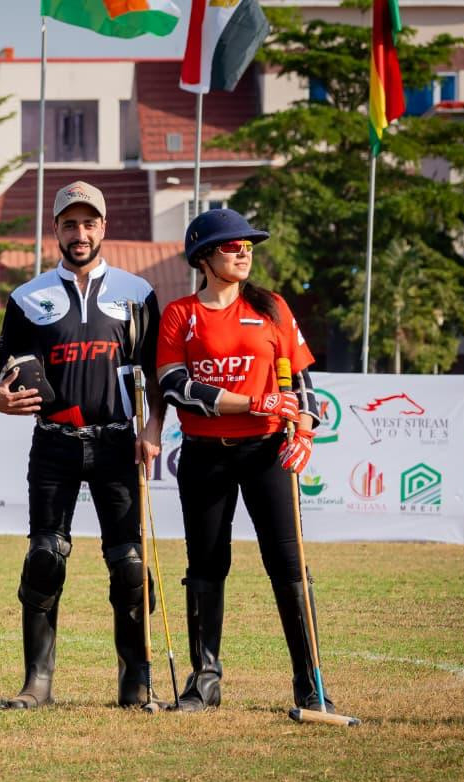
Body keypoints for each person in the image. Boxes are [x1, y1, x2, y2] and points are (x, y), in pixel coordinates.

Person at [0, 181, 164, 710]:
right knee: (45, 556)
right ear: (56, 230)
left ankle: (136, 678)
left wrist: (151, 429)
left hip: (116, 444)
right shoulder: (27, 297)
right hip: (54, 445)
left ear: (104, 227)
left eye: (89, 223)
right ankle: (37, 682)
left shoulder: (137, 292)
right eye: (69, 224)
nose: (79, 233)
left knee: (129, 562)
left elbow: (156, 374)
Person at [156, 208, 332, 713]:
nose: (244, 252)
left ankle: (310, 683)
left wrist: (305, 430)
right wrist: (252, 402)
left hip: (267, 453)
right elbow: (176, 387)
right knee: (207, 564)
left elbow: (302, 387)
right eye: (233, 246)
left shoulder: (272, 307)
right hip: (205, 455)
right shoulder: (180, 314)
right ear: (204, 257)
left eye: (249, 245)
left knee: (288, 563)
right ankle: (205, 682)